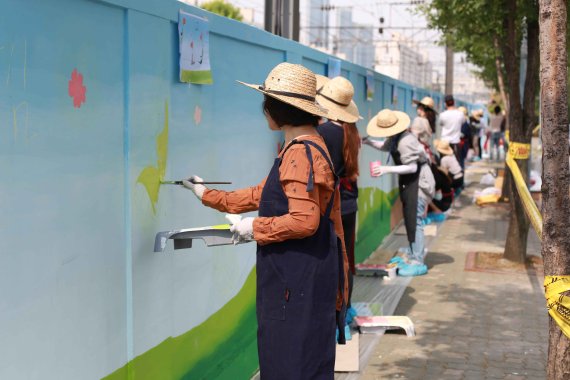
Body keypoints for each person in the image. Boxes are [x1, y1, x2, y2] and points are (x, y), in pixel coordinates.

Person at [182, 62, 349, 379]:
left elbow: (304, 221)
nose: (263, 111)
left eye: (266, 103)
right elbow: (264, 193)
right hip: (307, 276)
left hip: (295, 280)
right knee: (304, 361)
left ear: (280, 109)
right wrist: (205, 193)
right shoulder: (309, 144)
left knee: (290, 364)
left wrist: (252, 228)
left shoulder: (300, 152)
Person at [314, 75, 362, 334]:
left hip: (331, 204)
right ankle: (347, 307)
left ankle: (334, 315)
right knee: (347, 260)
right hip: (350, 203)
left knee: (329, 261)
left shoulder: (321, 132)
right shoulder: (352, 133)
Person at [362, 109, 435, 276]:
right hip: (410, 182)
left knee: (415, 220)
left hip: (419, 182)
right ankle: (413, 252)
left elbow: (412, 167)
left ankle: (417, 259)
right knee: (410, 217)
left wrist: (384, 169)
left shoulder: (405, 141)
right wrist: (366, 141)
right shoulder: (396, 137)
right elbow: (384, 146)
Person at [438, 94, 465, 162]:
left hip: (444, 143)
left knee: (444, 164)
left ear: (445, 104)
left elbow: (440, 123)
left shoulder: (443, 115)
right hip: (456, 142)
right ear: (454, 102)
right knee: (455, 164)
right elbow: (463, 122)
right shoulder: (460, 114)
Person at [411, 96, 437, 162]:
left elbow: (413, 138)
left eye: (419, 106)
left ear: (422, 108)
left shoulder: (419, 120)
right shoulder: (427, 121)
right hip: (425, 152)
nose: (417, 109)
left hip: (417, 153)